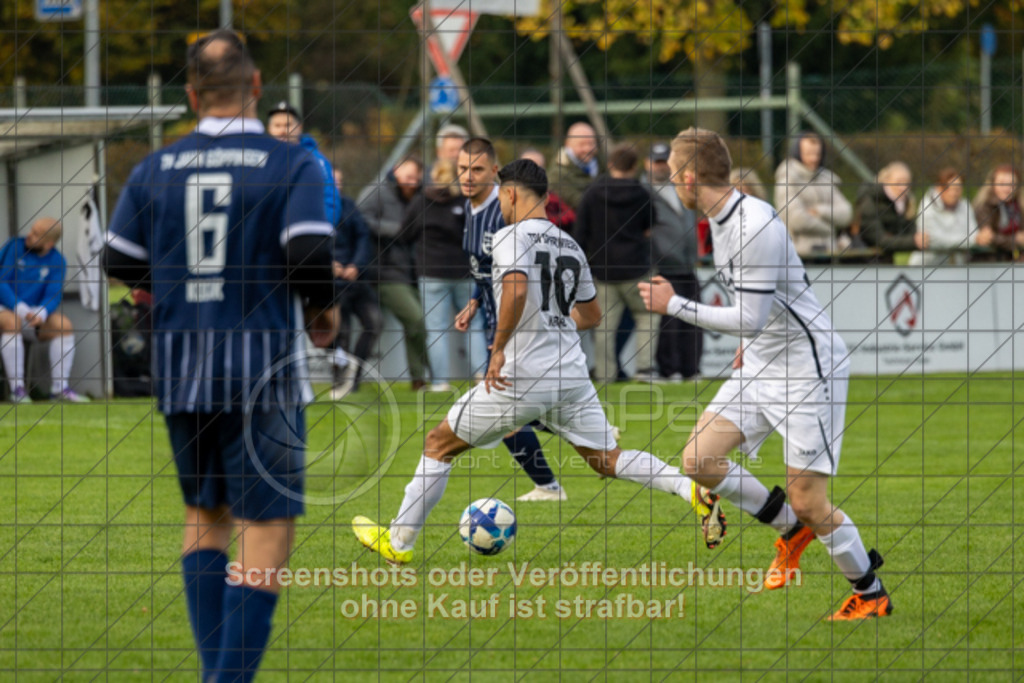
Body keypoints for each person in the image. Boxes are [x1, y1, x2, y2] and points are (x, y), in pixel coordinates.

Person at [102, 29, 338, 680]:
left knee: (205, 514)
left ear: (190, 94)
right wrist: (324, 311)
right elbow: (310, 255)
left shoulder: (154, 167)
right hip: (262, 365)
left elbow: (118, 259)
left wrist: (177, 285)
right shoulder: (290, 163)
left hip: (181, 365)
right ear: (256, 86)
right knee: (267, 525)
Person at [352, 159, 726, 564]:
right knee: (607, 460)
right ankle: (689, 489)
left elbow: (514, 291)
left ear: (510, 193)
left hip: (522, 373)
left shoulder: (510, 236)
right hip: (571, 373)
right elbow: (591, 315)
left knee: (438, 444)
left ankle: (399, 543)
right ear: (547, 197)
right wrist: (552, 322)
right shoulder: (569, 244)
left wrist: (497, 349)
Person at [639, 127, 892, 621]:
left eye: (673, 176)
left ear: (690, 177)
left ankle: (869, 591)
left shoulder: (753, 222)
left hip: (805, 368)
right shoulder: (719, 217)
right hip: (762, 361)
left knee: (809, 498)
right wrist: (744, 342)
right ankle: (789, 530)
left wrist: (675, 305)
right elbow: (754, 308)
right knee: (699, 459)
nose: (672, 184)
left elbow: (752, 316)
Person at [453, 137, 567, 502]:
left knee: (503, 411)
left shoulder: (502, 214)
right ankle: (559, 460)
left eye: (477, 170)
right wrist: (474, 301)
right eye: (461, 169)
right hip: (492, 319)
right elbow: (483, 269)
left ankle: (550, 481)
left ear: (495, 173)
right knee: (507, 409)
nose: (467, 177)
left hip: (512, 324)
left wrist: (503, 337)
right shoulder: (469, 211)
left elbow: (518, 277)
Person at [574, 142, 657, 382]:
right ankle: (644, 369)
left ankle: (605, 373)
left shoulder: (592, 193)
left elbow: (581, 232)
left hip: (604, 270)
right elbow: (648, 229)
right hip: (637, 268)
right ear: (634, 166)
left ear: (610, 164)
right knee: (648, 316)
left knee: (604, 326)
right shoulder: (642, 193)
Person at [403, 160, 477, 391]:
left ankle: (440, 382)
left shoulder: (420, 201)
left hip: (431, 273)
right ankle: (483, 376)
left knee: (436, 330)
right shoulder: (466, 202)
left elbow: (404, 234)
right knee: (474, 326)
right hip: (464, 273)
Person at [357, 157, 430, 390]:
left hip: (411, 271)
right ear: (395, 173)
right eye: (406, 177)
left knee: (417, 323)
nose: (410, 182)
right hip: (384, 273)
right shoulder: (377, 192)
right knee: (416, 319)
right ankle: (427, 375)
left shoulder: (420, 196)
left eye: (414, 179)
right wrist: (394, 230)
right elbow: (359, 219)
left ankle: (419, 378)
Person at [0, 217, 88, 403]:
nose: (29, 236)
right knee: (12, 321)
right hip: (6, 310)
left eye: (36, 234)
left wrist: (41, 313)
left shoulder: (58, 261)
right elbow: (2, 283)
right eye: (32, 230)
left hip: (31, 316)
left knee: (63, 325)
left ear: (48, 243)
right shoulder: (14, 247)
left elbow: (53, 294)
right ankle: (17, 389)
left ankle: (59, 390)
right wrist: (21, 308)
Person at [641, 142, 702, 382]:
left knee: (694, 319)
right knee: (669, 324)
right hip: (663, 266)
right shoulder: (642, 191)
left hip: (687, 264)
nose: (661, 167)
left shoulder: (682, 187)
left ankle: (691, 369)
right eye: (656, 162)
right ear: (647, 164)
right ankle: (670, 369)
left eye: (665, 161)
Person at [331, 168, 379, 399]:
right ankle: (339, 382)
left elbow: (363, 237)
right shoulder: (312, 208)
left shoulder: (349, 206)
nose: (336, 185)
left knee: (374, 323)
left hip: (356, 281)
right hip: (330, 284)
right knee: (341, 334)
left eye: (339, 181)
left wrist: (356, 265)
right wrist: (329, 264)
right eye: (332, 181)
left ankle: (354, 377)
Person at [774, 132, 853, 257]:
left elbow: (846, 213)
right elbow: (796, 218)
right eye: (809, 154)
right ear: (797, 153)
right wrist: (830, 228)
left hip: (830, 252)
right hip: (799, 254)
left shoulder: (827, 179)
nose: (814, 159)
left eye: (817, 154)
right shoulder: (787, 178)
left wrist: (819, 211)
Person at [854, 161, 924, 259]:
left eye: (907, 183)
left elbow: (909, 233)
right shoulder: (869, 202)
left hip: (885, 261)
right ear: (886, 181)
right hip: (861, 261)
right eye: (898, 182)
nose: (903, 188)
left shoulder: (905, 204)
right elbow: (880, 240)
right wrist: (914, 241)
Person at [910, 168, 977, 267]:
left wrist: (971, 239)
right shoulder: (927, 205)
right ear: (939, 188)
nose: (954, 193)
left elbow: (974, 234)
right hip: (926, 266)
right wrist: (968, 241)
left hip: (957, 268)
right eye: (949, 188)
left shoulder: (965, 206)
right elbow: (934, 240)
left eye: (958, 189)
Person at [973, 164, 1023, 260]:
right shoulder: (984, 206)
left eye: (1012, 184)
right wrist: (1015, 239)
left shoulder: (1019, 206)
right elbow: (988, 237)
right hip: (988, 262)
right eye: (1002, 183)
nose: (1007, 189)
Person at [519, 148, 576, 231]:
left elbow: (571, 216)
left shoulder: (551, 197)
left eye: (538, 168)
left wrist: (548, 222)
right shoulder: (508, 197)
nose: (533, 172)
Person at [553, 121, 599, 210]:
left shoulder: (602, 165)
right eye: (582, 144)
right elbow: (579, 203)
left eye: (591, 143)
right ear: (568, 144)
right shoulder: (557, 174)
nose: (588, 149)